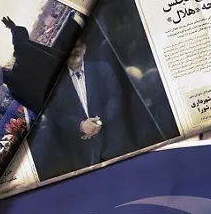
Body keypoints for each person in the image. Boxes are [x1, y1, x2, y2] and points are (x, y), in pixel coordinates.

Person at [28, 38, 141, 179]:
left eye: (76, 46)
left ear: (84, 48)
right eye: (68, 48)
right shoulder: (54, 85)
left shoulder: (102, 68)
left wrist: (96, 123)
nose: (73, 50)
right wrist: (81, 126)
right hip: (82, 157)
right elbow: (56, 115)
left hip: (114, 145)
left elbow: (116, 97)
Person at [0, 15, 80, 115]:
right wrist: (13, 27)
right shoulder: (22, 63)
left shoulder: (14, 91)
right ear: (5, 70)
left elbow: (36, 107)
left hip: (63, 104)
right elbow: (20, 43)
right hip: (70, 78)